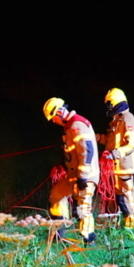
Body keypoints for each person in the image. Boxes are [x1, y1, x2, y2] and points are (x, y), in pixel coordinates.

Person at [43, 97, 100, 244]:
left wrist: (83, 176)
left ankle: (89, 240)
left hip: (85, 175)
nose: (53, 121)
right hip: (73, 174)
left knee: (83, 208)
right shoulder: (69, 126)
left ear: (60, 112)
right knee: (56, 195)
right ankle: (60, 232)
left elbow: (87, 152)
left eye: (53, 118)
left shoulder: (77, 125)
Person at [97, 88, 134, 228]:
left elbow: (131, 145)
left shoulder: (128, 119)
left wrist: (114, 154)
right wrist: (96, 137)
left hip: (123, 168)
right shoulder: (115, 122)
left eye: (109, 104)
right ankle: (114, 226)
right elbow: (110, 142)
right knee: (114, 199)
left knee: (126, 199)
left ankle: (131, 227)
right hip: (113, 169)